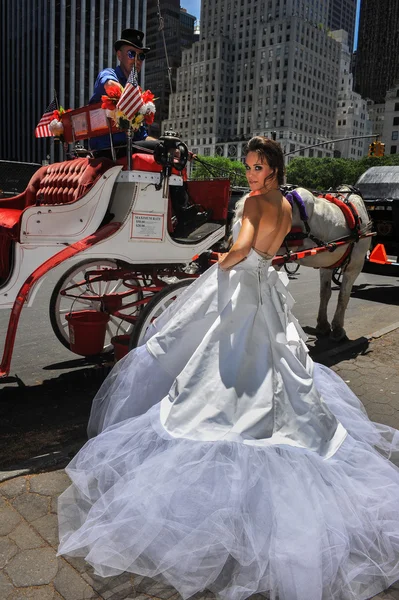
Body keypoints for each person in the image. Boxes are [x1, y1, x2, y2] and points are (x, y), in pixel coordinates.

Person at [58, 137, 399, 600]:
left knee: (220, 361)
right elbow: (267, 251)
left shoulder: (259, 203)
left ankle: (232, 418)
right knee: (273, 360)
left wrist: (221, 258)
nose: (251, 174)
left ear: (273, 169)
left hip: (245, 283)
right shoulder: (283, 203)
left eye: (257, 167)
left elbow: (240, 249)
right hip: (267, 287)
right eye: (249, 167)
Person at [89, 28, 155, 157]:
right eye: (131, 54)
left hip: (130, 147)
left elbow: (142, 136)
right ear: (119, 55)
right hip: (107, 150)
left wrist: (172, 146)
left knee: (169, 147)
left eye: (141, 56)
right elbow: (110, 86)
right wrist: (138, 103)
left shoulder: (136, 91)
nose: (137, 60)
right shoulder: (109, 74)